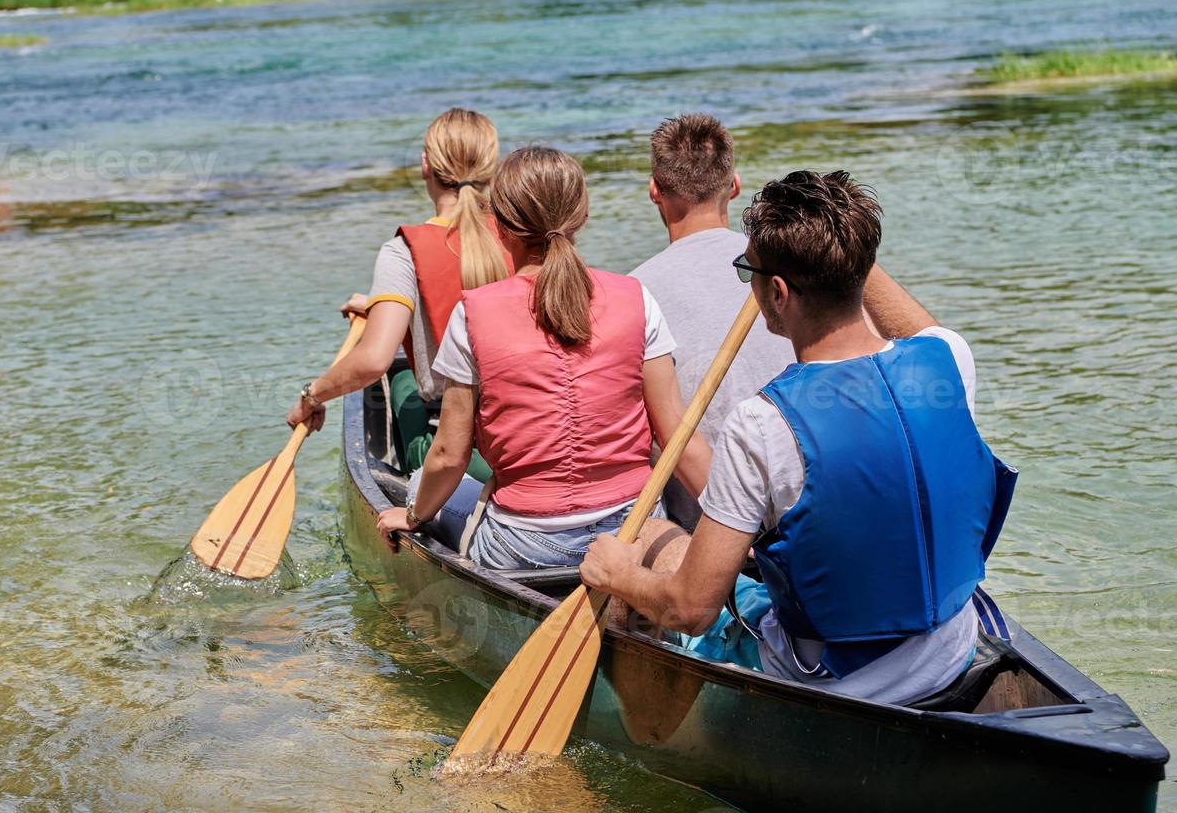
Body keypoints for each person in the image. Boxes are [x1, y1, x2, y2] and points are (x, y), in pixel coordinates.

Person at [580, 170, 1016, 706]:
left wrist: (619, 574)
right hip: (951, 653)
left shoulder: (762, 423)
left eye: (749, 273)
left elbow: (692, 608)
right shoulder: (950, 359)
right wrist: (836, 242)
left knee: (647, 535)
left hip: (836, 680)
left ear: (778, 293)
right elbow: (913, 324)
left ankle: (646, 723)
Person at [374, 146, 711, 569]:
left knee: (423, 478)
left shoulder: (472, 313)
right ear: (583, 218)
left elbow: (448, 455)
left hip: (523, 543)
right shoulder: (636, 298)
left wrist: (411, 516)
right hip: (632, 526)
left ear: (497, 226)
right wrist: (734, 528)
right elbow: (677, 435)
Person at [285, 108, 513, 477]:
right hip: (522, 434)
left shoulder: (404, 251)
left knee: (400, 375)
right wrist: (383, 303)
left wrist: (312, 395)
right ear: (492, 167)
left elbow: (373, 360)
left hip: (460, 456)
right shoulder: (518, 235)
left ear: (425, 164)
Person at [631, 114, 795, 529]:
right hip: (801, 507)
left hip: (707, 526)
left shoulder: (631, 291)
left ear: (654, 191)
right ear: (735, 185)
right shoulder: (787, 268)